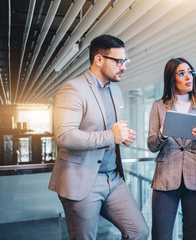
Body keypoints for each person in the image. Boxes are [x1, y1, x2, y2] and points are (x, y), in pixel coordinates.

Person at [48, 34, 149, 240]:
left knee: (139, 232)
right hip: (82, 179)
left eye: (125, 61)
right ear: (99, 59)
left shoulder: (116, 91)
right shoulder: (73, 89)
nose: (124, 67)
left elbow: (111, 130)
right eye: (119, 61)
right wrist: (110, 136)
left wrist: (123, 137)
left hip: (113, 178)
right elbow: (64, 136)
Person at [147, 58, 196, 240]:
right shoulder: (158, 107)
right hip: (165, 178)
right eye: (181, 73)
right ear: (171, 78)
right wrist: (163, 133)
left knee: (194, 235)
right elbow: (152, 145)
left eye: (190, 72)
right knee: (161, 234)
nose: (188, 77)